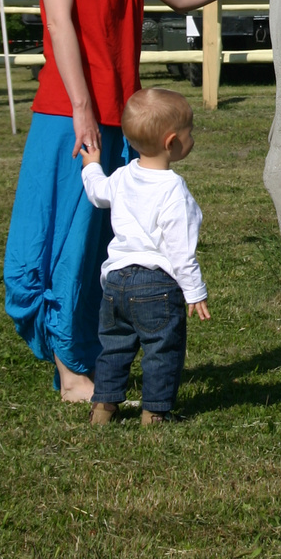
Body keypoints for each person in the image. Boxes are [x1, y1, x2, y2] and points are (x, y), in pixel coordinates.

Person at [2, 0, 277, 402]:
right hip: (68, 116)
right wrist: (80, 107)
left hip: (119, 120)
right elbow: (59, 23)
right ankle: (72, 370)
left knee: (100, 252)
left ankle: (87, 363)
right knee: (58, 246)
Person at [83, 87, 206, 426]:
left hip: (115, 283)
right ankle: (155, 412)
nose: (192, 138)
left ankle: (103, 408)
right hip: (156, 285)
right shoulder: (173, 190)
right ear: (171, 142)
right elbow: (181, 251)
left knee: (114, 347)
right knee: (162, 349)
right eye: (189, 132)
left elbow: (97, 193)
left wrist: (92, 166)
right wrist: (194, 292)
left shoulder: (122, 175)